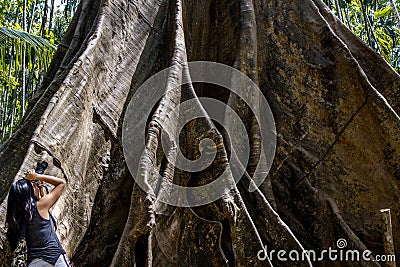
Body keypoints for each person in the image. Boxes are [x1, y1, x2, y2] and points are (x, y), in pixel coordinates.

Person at [6, 168, 72, 267]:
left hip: (33, 263)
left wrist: (40, 193)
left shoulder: (15, 218)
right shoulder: (40, 206)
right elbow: (61, 183)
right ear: (29, 192)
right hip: (54, 259)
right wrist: (37, 176)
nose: (37, 186)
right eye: (34, 185)